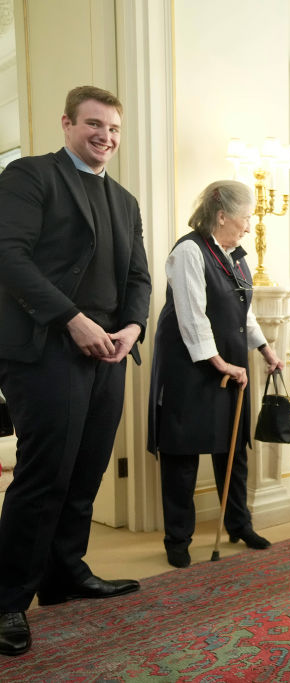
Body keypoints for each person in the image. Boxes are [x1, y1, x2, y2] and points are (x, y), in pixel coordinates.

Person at [0, 85, 152, 657]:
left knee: (86, 472)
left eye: (114, 128)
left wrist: (132, 329)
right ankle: (8, 598)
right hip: (46, 348)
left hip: (111, 350)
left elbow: (138, 278)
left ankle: (64, 573)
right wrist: (72, 319)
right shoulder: (29, 177)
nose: (105, 137)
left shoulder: (126, 201)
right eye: (93, 124)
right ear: (66, 123)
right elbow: (7, 256)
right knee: (44, 476)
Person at [147, 180, 284, 569]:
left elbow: (243, 313)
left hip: (230, 365)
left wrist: (264, 348)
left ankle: (239, 523)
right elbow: (192, 315)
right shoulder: (189, 251)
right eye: (245, 218)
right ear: (222, 215)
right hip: (189, 369)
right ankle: (178, 538)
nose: (247, 225)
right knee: (183, 453)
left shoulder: (237, 257)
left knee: (232, 449)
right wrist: (219, 363)